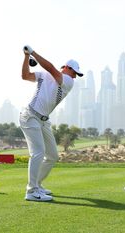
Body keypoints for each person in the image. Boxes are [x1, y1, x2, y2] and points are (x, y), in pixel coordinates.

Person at [20, 45, 83, 201]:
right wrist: (26, 56)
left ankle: (38, 185)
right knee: (38, 152)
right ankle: (31, 191)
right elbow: (25, 75)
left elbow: (52, 69)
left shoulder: (68, 82)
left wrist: (33, 52)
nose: (75, 76)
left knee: (52, 156)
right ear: (67, 68)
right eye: (74, 72)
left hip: (43, 120)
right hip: (30, 116)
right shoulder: (43, 75)